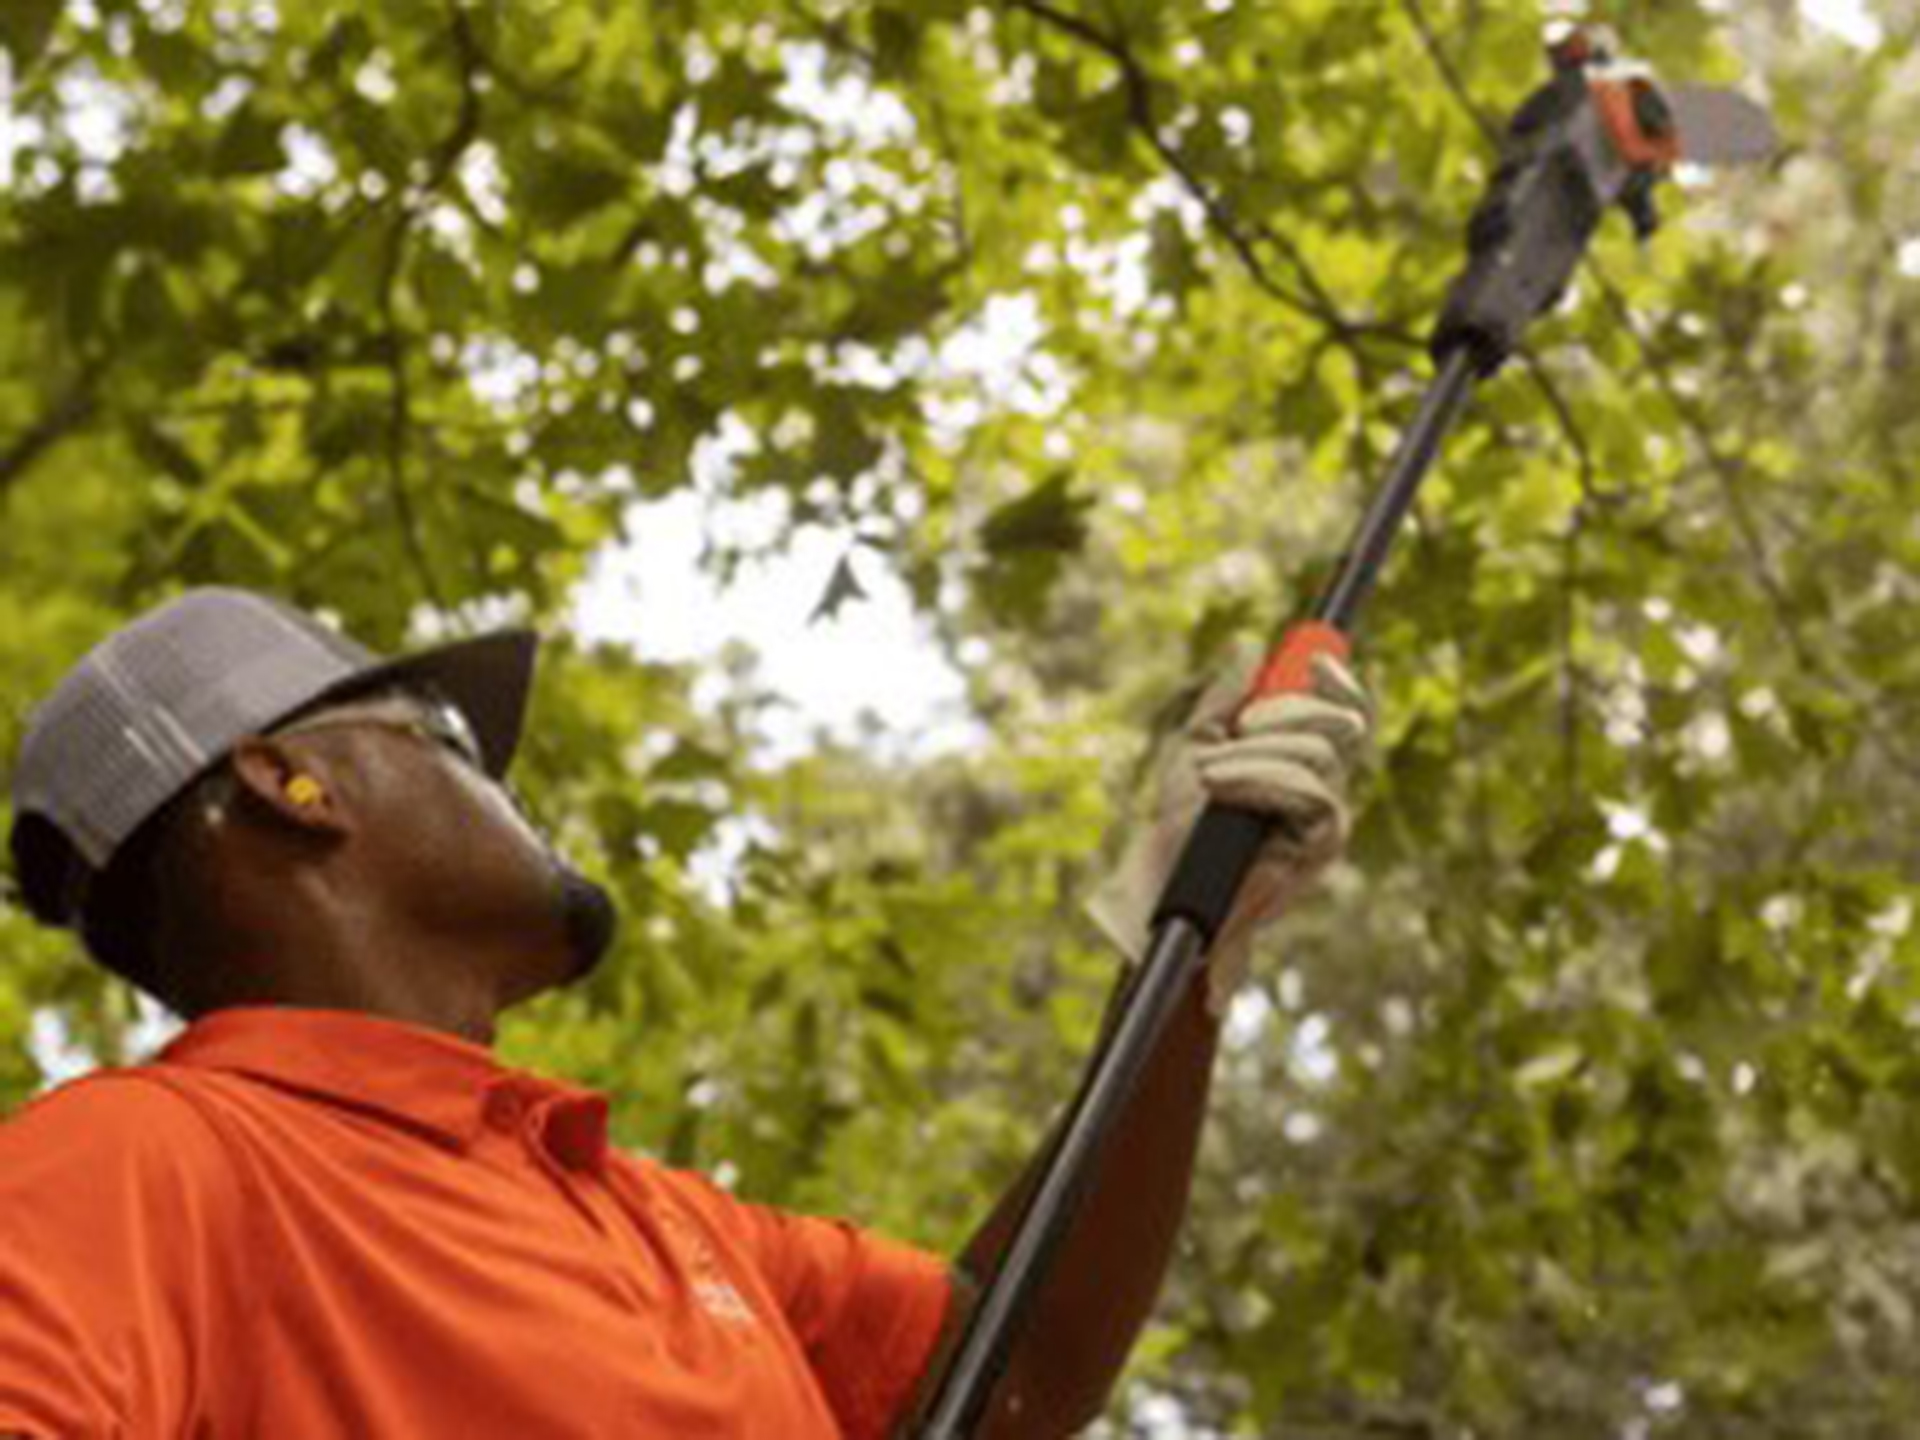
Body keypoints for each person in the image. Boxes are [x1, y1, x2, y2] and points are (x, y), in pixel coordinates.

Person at [0, 587, 1369, 1438]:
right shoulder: (141, 1161)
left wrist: (1187, 952)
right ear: (295, 787)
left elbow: (1021, 1369)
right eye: (449, 740)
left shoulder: (653, 1218)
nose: (508, 793)